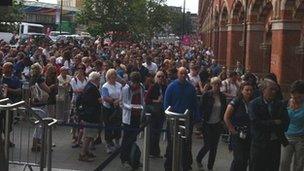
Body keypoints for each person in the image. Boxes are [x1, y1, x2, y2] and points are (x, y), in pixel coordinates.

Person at [249, 79, 290, 171]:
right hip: (259, 143)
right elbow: (256, 123)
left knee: (273, 167)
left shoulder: (279, 104)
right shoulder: (254, 104)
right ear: (263, 90)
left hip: (275, 143)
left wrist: (270, 124)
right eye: (271, 89)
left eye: (275, 89)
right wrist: (274, 122)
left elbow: (285, 121)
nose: (274, 92)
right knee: (257, 167)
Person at [164, 67, 197, 171]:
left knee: (187, 143)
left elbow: (194, 104)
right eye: (181, 73)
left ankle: (186, 165)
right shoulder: (171, 86)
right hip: (173, 119)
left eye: (184, 73)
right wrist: (168, 117)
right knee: (171, 143)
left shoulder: (191, 88)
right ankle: (169, 166)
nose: (183, 75)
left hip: (187, 120)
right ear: (178, 74)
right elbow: (166, 103)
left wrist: (196, 118)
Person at [196, 77, 226, 170]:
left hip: (217, 124)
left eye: (218, 84)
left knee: (214, 147)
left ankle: (210, 167)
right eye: (214, 84)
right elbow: (200, 108)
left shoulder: (222, 96)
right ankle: (198, 158)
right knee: (207, 145)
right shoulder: (206, 95)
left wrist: (222, 121)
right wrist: (200, 121)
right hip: (207, 123)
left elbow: (224, 109)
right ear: (211, 85)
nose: (216, 86)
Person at [224, 82, 254, 171]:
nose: (249, 92)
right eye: (247, 90)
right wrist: (233, 131)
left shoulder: (253, 103)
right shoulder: (236, 101)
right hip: (237, 134)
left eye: (251, 90)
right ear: (241, 90)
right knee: (238, 159)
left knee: (245, 159)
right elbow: (226, 117)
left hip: (249, 135)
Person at [120, 72, 145, 167]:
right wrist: (132, 107)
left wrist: (141, 108)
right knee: (126, 138)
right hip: (129, 117)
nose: (136, 84)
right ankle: (124, 159)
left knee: (133, 138)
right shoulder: (126, 89)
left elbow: (142, 99)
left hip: (137, 115)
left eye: (137, 82)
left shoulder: (141, 87)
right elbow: (123, 103)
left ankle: (133, 158)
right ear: (131, 81)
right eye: (134, 82)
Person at [78, 72, 103, 162]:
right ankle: (83, 153)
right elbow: (89, 102)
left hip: (89, 114)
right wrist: (99, 101)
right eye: (99, 79)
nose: (99, 81)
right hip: (91, 115)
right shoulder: (91, 88)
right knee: (88, 135)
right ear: (95, 79)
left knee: (89, 134)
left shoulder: (89, 86)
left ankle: (87, 151)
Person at [280, 80, 304, 171]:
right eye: (295, 95)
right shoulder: (285, 103)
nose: (297, 98)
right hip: (287, 137)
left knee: (299, 165)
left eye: (300, 96)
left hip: (301, 139)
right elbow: (280, 119)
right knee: (284, 162)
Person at [145, 71, 167, 158]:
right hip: (154, 112)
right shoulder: (153, 87)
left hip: (161, 112)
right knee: (153, 133)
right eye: (159, 76)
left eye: (162, 76)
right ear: (156, 77)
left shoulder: (165, 87)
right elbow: (146, 100)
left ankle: (156, 152)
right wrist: (156, 101)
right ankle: (151, 152)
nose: (161, 78)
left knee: (158, 133)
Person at [101, 68, 122, 154]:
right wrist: (113, 101)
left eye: (115, 76)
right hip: (108, 109)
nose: (113, 78)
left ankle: (117, 142)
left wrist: (118, 101)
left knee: (118, 125)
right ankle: (108, 145)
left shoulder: (119, 85)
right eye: (111, 76)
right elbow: (105, 97)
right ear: (108, 77)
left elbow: (122, 94)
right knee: (108, 126)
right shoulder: (105, 86)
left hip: (117, 108)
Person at [70, 63, 88, 148]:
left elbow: (87, 90)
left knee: (81, 119)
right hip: (75, 101)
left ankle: (80, 138)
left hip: (84, 101)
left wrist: (82, 91)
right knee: (75, 119)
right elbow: (75, 90)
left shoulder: (87, 79)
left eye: (82, 68)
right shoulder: (74, 80)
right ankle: (74, 136)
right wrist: (82, 91)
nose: (80, 70)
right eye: (79, 68)